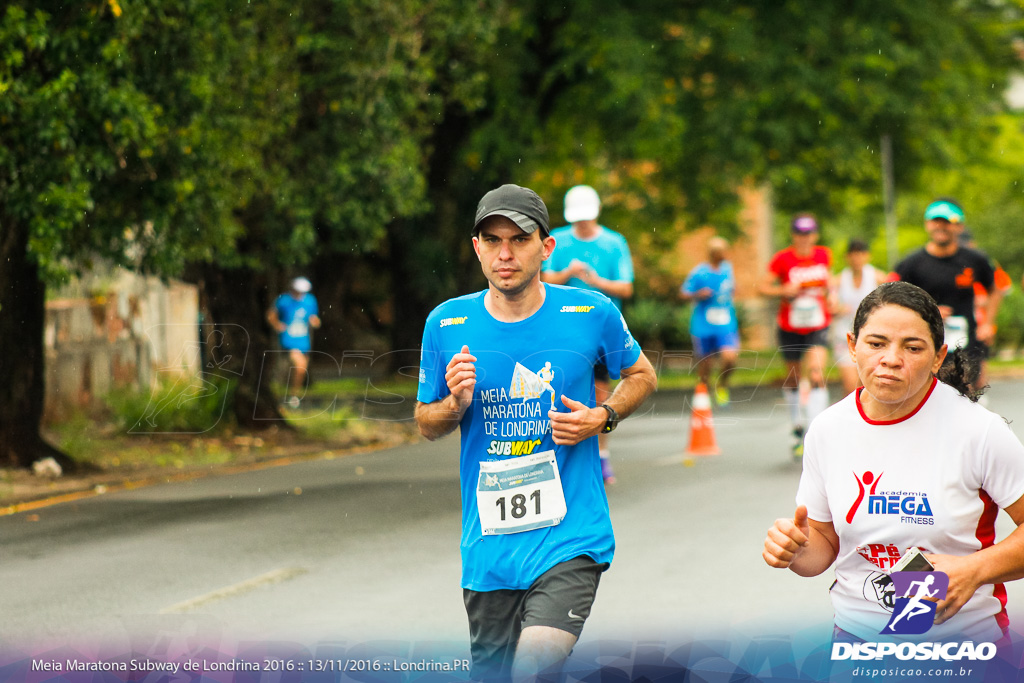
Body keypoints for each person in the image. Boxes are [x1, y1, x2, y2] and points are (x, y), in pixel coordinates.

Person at [415, 183, 657, 681]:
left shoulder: (590, 313)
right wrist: (454, 403)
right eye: (493, 240)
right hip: (489, 552)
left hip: (570, 538)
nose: (506, 254)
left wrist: (603, 416)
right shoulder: (446, 323)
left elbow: (642, 376)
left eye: (519, 239)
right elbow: (425, 423)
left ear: (546, 247)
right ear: (476, 247)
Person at [763, 281, 1024, 647]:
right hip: (859, 643)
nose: (890, 359)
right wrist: (794, 549)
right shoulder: (828, 429)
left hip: (964, 644)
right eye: (876, 343)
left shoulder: (978, 430)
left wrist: (974, 570)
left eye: (912, 347)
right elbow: (822, 545)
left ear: (938, 356)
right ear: (853, 347)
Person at [541, 184, 635, 484]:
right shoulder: (559, 239)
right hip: (561, 327)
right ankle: (557, 456)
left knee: (598, 392)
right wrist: (568, 272)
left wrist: (596, 281)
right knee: (560, 388)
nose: (581, 223)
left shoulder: (613, 242)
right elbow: (544, 278)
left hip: (599, 329)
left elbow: (626, 287)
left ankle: (602, 454)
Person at [894, 199, 998, 392]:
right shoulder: (912, 263)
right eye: (935, 221)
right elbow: (894, 300)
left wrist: (988, 324)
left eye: (946, 222)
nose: (940, 227)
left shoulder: (974, 259)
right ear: (927, 224)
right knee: (929, 391)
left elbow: (994, 289)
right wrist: (929, 310)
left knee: (964, 391)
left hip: (965, 339)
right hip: (925, 338)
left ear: (959, 226)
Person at [759, 214, 833, 459]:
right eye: (800, 234)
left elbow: (828, 283)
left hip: (817, 323)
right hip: (790, 325)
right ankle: (796, 426)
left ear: (815, 235)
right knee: (793, 377)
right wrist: (782, 289)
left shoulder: (823, 255)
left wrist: (831, 297)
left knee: (816, 372)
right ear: (793, 235)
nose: (804, 238)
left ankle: (816, 430)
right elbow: (762, 287)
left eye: (808, 233)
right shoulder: (783, 259)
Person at [679, 236, 739, 406]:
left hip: (725, 322)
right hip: (703, 324)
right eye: (721, 252)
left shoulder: (728, 269)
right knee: (705, 363)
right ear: (713, 254)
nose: (724, 255)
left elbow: (731, 288)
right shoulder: (700, 272)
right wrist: (698, 294)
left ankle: (722, 384)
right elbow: (683, 293)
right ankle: (703, 391)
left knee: (730, 357)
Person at [830, 239, 887, 396]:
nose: (857, 259)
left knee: (870, 386)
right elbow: (830, 305)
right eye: (853, 255)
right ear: (847, 257)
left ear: (867, 256)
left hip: (872, 338)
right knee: (850, 386)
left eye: (860, 254)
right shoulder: (838, 280)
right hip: (845, 336)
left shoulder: (878, 278)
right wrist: (837, 308)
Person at [266, 277, 321, 408]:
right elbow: (271, 314)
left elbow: (314, 317)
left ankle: (292, 395)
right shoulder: (284, 300)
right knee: (300, 365)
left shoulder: (310, 300)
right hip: (288, 340)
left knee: (300, 370)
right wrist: (277, 324)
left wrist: (315, 321)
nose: (300, 294)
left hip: (304, 341)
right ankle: (292, 396)